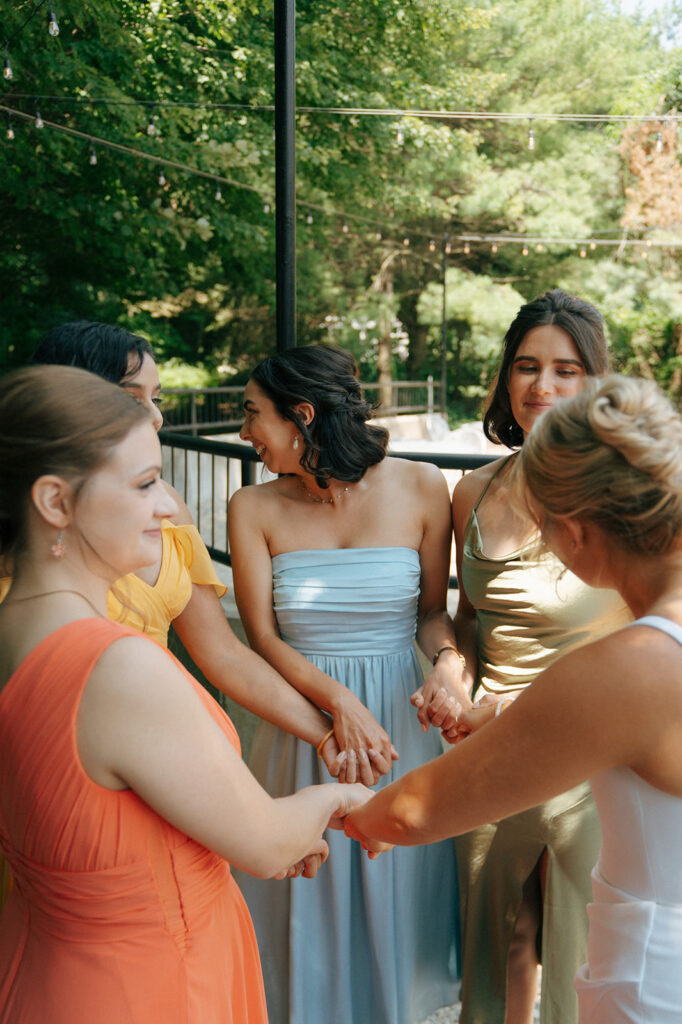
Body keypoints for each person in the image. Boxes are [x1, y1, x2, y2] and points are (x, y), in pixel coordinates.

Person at [0, 365, 371, 1023]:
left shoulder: (14, 631)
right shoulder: (117, 667)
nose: (170, 506)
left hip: (41, 968)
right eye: (146, 484)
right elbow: (266, 846)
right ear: (55, 503)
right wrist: (336, 797)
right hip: (146, 985)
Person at [345, 373, 682, 1024]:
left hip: (656, 984)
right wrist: (500, 711)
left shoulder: (630, 668)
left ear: (575, 532)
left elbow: (419, 811)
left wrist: (351, 815)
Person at [413, 290, 630, 1024]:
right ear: (506, 380)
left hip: (594, 754)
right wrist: (448, 668)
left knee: (581, 952)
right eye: (527, 367)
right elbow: (463, 620)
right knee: (500, 940)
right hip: (489, 749)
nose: (544, 386)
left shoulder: (633, 493)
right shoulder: (472, 493)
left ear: (597, 381)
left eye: (567, 370)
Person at [229, 344, 461, 1024]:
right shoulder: (253, 506)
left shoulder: (422, 487)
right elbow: (264, 638)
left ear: (301, 416)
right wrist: (338, 706)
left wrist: (447, 663)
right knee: (305, 885)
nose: (245, 433)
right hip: (302, 716)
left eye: (252, 414)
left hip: (396, 723)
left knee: (395, 880)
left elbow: (430, 614)